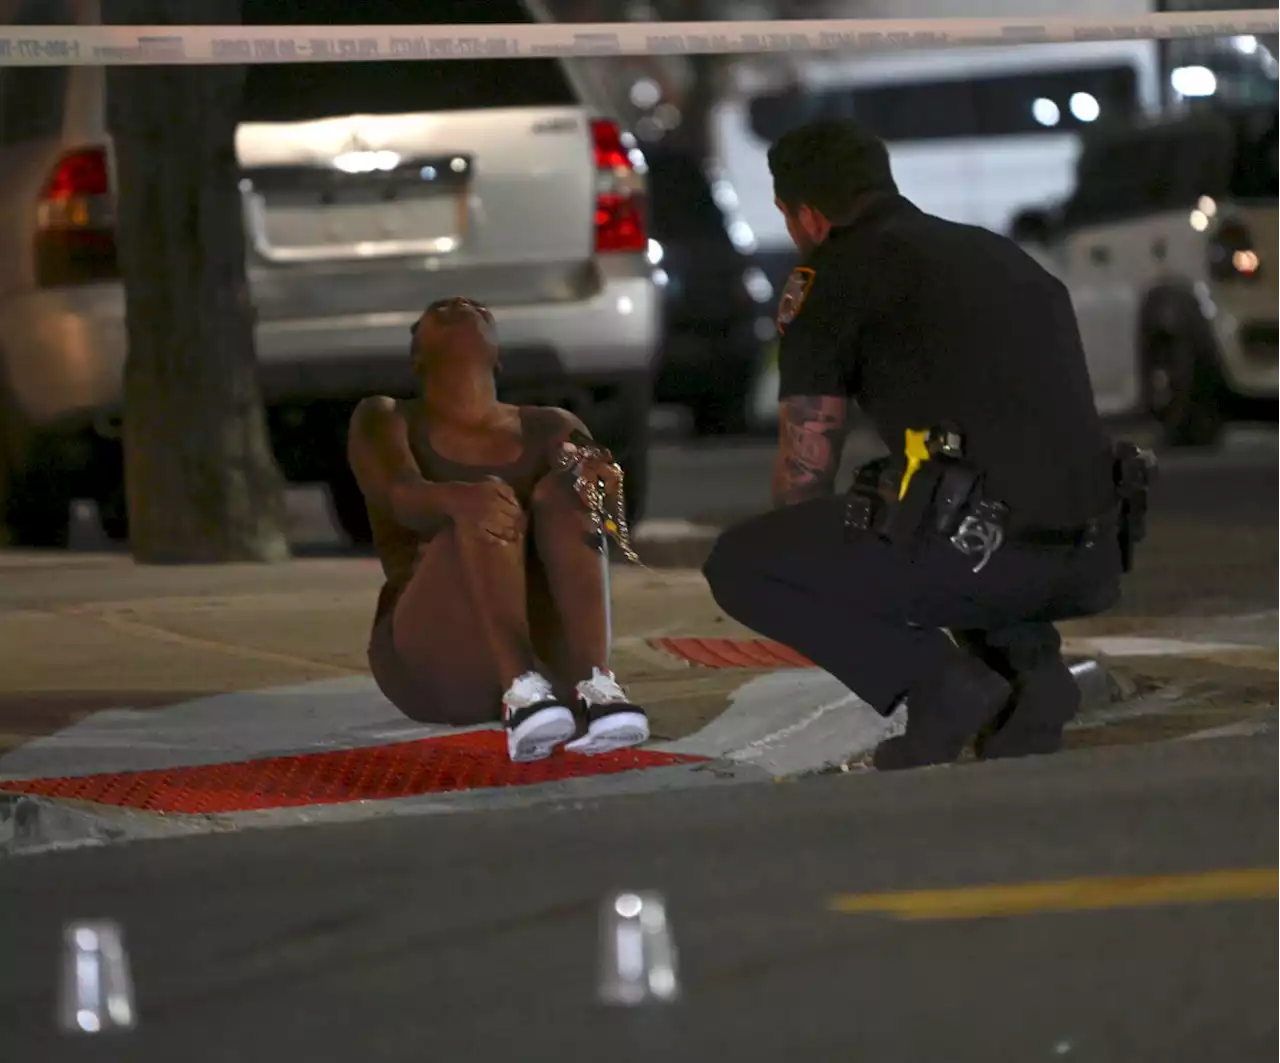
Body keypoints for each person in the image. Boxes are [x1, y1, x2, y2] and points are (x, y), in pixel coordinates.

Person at [702, 119, 1130, 771]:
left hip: (981, 551)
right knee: (939, 489)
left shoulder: (832, 276)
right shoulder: (1001, 256)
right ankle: (1034, 677)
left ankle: (938, 686)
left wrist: (812, 568)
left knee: (747, 562)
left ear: (808, 215)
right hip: (1091, 552)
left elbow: (805, 467)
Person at [347, 296, 649, 763]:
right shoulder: (385, 418)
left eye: (477, 309)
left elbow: (606, 504)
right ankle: (520, 691)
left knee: (567, 493)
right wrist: (457, 497)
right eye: (437, 311)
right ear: (416, 357)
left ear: (497, 355)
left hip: (552, 662)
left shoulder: (550, 424)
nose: (457, 305)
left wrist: (597, 478)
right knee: (482, 502)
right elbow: (400, 495)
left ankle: (597, 686)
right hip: (437, 661)